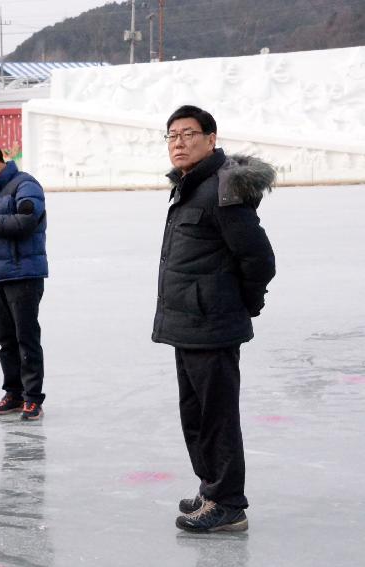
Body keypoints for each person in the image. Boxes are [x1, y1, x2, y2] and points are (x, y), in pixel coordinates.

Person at [153, 105, 276, 533]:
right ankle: (211, 487)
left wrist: (244, 303)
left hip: (213, 324)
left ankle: (228, 503)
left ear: (211, 138)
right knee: (196, 416)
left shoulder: (223, 190)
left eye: (188, 134)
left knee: (217, 417)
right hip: (188, 324)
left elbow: (258, 258)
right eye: (171, 136)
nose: (179, 143)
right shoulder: (191, 186)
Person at [0, 141, 48, 421]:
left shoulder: (26, 185)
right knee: (5, 339)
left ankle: (33, 397)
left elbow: (26, 222)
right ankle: (13, 392)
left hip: (24, 273)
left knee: (26, 337)